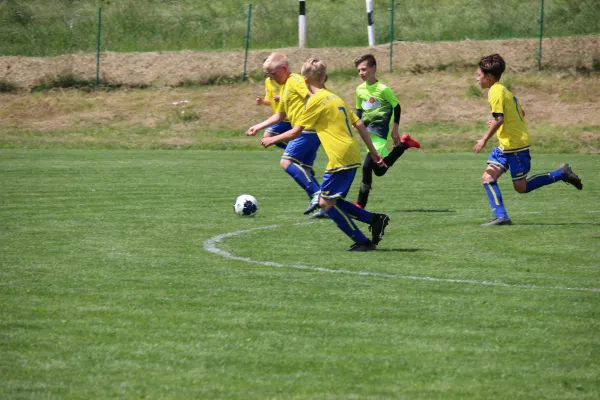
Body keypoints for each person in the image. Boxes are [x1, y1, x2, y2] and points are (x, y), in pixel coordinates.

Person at [261, 58, 391, 251]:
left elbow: (296, 131)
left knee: (326, 204)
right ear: (326, 77)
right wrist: (373, 153)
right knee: (332, 201)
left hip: (340, 157)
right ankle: (375, 220)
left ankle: (364, 240)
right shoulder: (335, 97)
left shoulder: (315, 101)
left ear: (305, 81)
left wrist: (272, 139)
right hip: (351, 153)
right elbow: (360, 124)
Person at [474, 53, 583, 226]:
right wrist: (499, 124)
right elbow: (520, 114)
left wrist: (483, 139)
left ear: (489, 76)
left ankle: (561, 174)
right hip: (506, 146)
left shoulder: (494, 92)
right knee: (487, 178)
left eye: (479, 75)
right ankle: (501, 217)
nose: (477, 79)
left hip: (515, 147)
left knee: (521, 187)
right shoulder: (504, 90)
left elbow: (501, 119)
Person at [246, 53, 324, 217]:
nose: (271, 78)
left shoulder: (295, 80)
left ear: (283, 69)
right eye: (268, 75)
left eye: (273, 74)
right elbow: (280, 114)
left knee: (286, 162)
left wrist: (314, 115)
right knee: (305, 170)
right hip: (308, 130)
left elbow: (315, 96)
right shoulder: (285, 86)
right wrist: (258, 126)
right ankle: (326, 208)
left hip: (306, 129)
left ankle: (318, 195)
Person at [353, 54, 421, 209]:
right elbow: (359, 110)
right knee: (379, 170)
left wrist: (395, 127)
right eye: (358, 70)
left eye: (364, 69)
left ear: (373, 68)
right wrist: (356, 125)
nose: (361, 73)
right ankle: (404, 145)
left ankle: (360, 204)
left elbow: (396, 106)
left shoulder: (384, 89)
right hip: (368, 134)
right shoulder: (359, 90)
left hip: (380, 132)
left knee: (366, 166)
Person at [255, 76, 289, 150]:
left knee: (291, 138)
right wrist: (262, 101)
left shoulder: (285, 80)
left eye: (270, 71)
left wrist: (281, 97)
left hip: (290, 117)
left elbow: (293, 95)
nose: (268, 74)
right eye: (266, 72)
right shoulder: (268, 81)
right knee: (267, 137)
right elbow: (269, 100)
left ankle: (293, 150)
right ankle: (291, 149)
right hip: (278, 117)